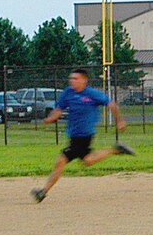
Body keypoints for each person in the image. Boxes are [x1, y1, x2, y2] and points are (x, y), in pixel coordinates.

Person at [31, 68, 135, 203]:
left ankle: (43, 192)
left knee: (60, 161)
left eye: (75, 78)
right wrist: (50, 119)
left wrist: (119, 120)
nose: (72, 81)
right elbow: (58, 110)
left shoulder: (91, 93)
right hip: (74, 135)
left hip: (84, 135)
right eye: (71, 78)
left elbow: (111, 104)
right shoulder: (68, 93)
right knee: (87, 161)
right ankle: (116, 149)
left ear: (84, 80)